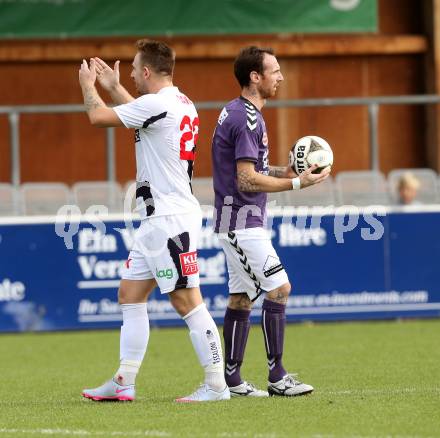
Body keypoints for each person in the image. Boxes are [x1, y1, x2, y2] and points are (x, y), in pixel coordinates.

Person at [78, 39, 229, 402]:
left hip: (169, 219)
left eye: (132, 69)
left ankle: (216, 385)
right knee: (130, 295)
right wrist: (113, 87)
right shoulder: (178, 101)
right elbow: (141, 114)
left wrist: (87, 86)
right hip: (156, 220)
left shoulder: (158, 104)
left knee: (186, 301)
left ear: (146, 72)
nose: (128, 73)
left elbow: (98, 118)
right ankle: (124, 381)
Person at [211, 46, 331, 397]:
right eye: (275, 70)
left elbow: (253, 170)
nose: (281, 77)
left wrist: (287, 170)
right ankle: (277, 377)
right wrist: (296, 183)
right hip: (241, 221)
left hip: (238, 219)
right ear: (255, 76)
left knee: (241, 299)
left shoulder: (239, 113)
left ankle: (232, 380)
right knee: (279, 289)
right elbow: (246, 180)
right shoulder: (247, 118)